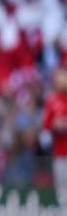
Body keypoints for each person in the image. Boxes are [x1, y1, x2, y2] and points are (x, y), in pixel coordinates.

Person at [42, 65, 67, 205]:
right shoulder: (52, 100)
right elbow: (46, 126)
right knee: (61, 191)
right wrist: (55, 126)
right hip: (59, 153)